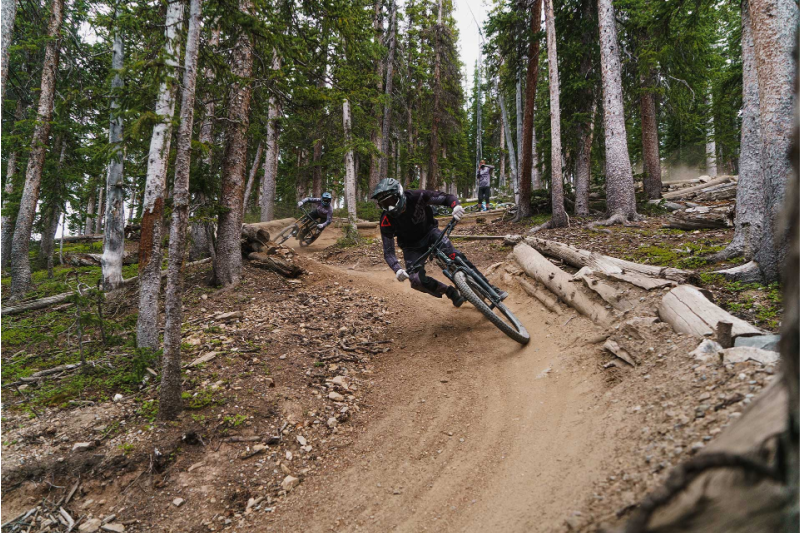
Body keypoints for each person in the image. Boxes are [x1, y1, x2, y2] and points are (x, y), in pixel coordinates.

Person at [371, 178, 508, 307]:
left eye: (391, 201)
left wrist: (455, 207)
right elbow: (388, 252)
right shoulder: (386, 221)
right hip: (411, 247)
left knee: (457, 257)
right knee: (416, 281)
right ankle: (449, 292)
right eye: (384, 204)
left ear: (399, 194)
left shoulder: (417, 196)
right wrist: (397, 269)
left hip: (431, 233)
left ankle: (491, 290)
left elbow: (446, 198)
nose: (389, 208)